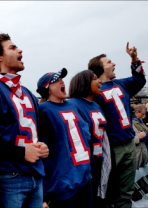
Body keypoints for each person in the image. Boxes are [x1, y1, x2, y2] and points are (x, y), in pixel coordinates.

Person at [0, 33, 48, 208]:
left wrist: (41, 146)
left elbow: (33, 132)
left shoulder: (28, 93)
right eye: (12, 47)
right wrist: (21, 152)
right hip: (9, 177)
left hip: (36, 174)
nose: (20, 50)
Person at [88, 42, 146, 208]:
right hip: (111, 148)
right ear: (99, 68)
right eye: (109, 62)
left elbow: (139, 79)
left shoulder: (122, 84)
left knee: (126, 191)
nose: (113, 64)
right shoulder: (94, 92)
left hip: (129, 143)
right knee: (109, 191)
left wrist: (134, 58)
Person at [37, 68, 93, 208]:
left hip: (84, 176)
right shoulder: (43, 110)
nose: (62, 82)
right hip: (62, 182)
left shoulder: (74, 105)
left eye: (62, 79)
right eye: (57, 81)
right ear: (47, 89)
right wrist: (43, 194)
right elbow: (42, 153)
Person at [68, 70, 111, 208]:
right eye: (95, 79)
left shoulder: (96, 105)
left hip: (99, 161)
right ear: (84, 84)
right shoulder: (73, 105)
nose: (99, 82)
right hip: (84, 166)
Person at [132, 104, 148, 169]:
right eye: (142, 114)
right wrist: (138, 138)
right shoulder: (130, 123)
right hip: (136, 154)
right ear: (136, 112)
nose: (144, 116)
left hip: (142, 154)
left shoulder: (140, 121)